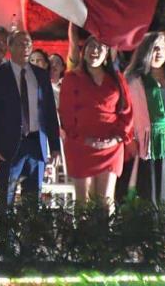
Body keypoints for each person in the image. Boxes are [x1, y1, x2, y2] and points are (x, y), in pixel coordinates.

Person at [0, 30, 61, 209]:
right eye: (19, 44)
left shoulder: (40, 75)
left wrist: (54, 146)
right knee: (6, 199)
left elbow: (49, 112)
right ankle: (5, 237)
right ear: (9, 47)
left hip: (36, 144)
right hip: (7, 146)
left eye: (28, 44)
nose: (25, 48)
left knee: (33, 200)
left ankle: (30, 237)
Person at [126, 31, 165, 234]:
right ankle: (150, 236)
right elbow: (126, 111)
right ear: (144, 51)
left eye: (161, 48)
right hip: (148, 143)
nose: (158, 52)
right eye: (154, 48)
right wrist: (131, 140)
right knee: (151, 189)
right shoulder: (135, 79)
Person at [58, 35, 132, 210]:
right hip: (81, 145)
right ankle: (83, 237)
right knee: (83, 202)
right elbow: (66, 113)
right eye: (91, 46)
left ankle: (105, 237)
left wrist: (117, 138)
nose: (95, 51)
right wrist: (82, 139)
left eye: (100, 47)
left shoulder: (117, 80)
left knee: (105, 201)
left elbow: (127, 112)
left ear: (106, 54)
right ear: (83, 52)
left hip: (111, 147)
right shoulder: (72, 78)